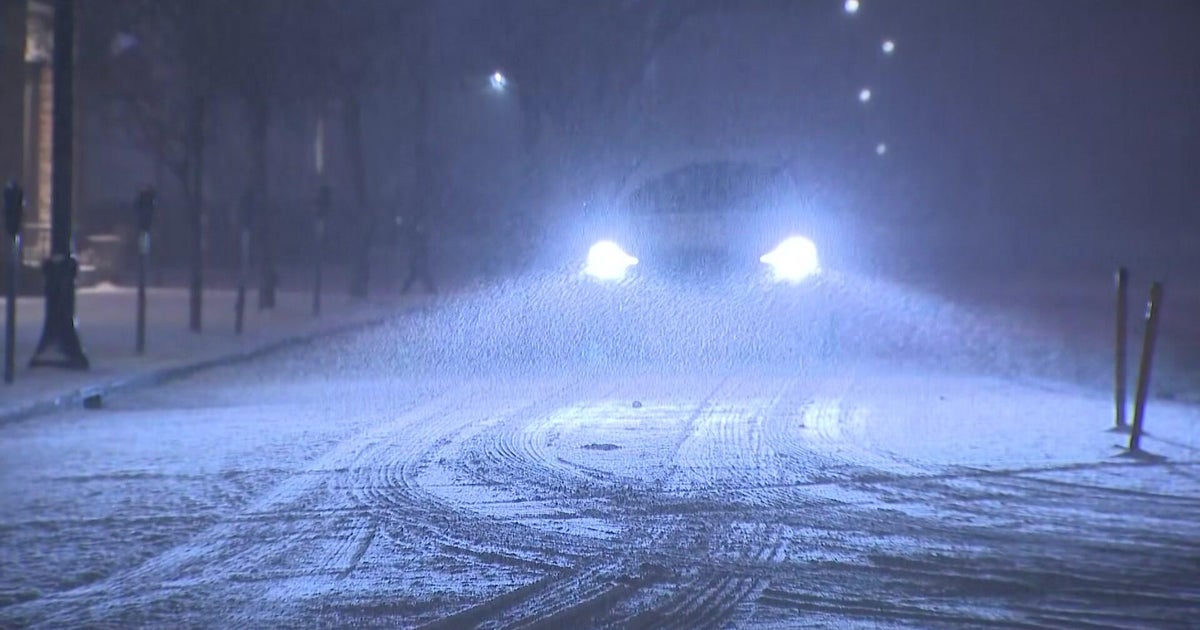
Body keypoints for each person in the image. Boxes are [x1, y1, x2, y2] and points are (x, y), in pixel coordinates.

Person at [400, 214, 436, 294]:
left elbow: (423, 247)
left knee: (420, 275)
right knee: (417, 275)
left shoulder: (421, 237)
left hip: (419, 257)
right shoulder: (417, 236)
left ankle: (432, 290)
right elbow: (417, 247)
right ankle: (432, 291)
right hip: (416, 258)